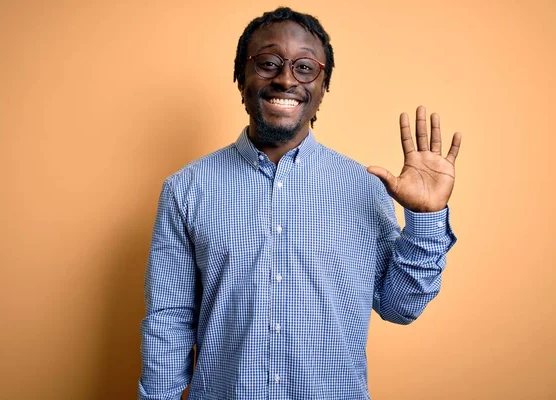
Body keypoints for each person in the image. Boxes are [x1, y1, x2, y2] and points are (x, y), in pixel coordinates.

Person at [138, 6, 461, 400]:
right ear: (240, 77)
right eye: (269, 63)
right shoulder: (185, 189)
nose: (286, 78)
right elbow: (168, 322)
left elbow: (400, 306)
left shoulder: (365, 187)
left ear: (323, 87)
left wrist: (425, 219)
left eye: (305, 67)